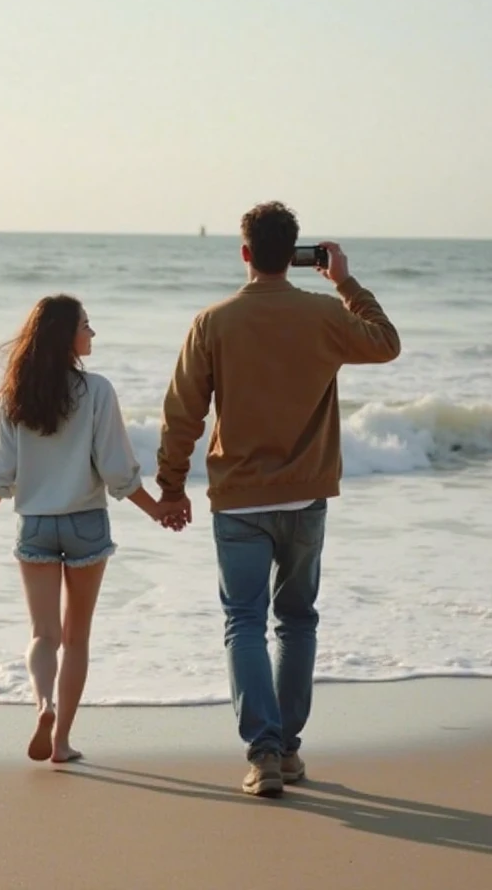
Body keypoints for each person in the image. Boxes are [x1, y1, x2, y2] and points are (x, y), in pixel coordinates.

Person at [155, 202, 401, 797]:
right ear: (293, 254)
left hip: (238, 499)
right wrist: (344, 282)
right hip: (306, 496)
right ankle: (286, 749)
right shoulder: (322, 314)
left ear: (245, 253)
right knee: (297, 620)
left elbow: (182, 412)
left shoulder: (213, 322)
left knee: (244, 621)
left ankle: (264, 752)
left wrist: (170, 486)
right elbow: (386, 342)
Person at [0, 294, 179, 763]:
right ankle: (60, 743)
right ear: (67, 335)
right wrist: (156, 509)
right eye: (86, 325)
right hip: (85, 525)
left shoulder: (17, 395)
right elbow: (117, 470)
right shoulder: (97, 390)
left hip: (35, 524)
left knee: (43, 636)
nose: (92, 333)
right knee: (76, 637)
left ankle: (43, 704)